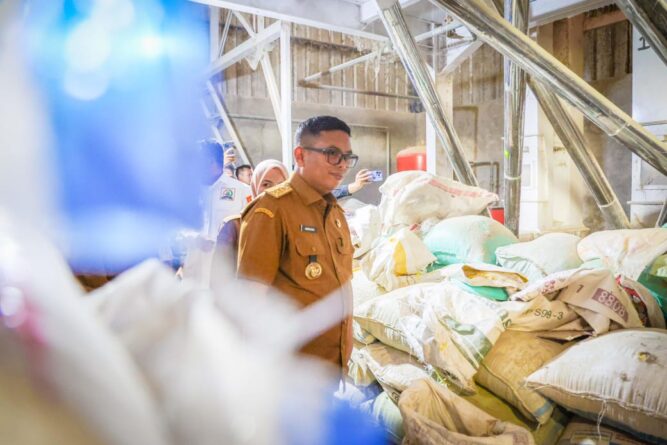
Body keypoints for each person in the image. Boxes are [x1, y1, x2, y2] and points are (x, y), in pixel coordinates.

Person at [237, 116, 359, 369]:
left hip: (330, 367)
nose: (342, 164)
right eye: (332, 154)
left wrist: (345, 349)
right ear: (300, 156)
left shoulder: (334, 213)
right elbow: (249, 301)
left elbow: (342, 285)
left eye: (347, 157)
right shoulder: (271, 210)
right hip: (290, 372)